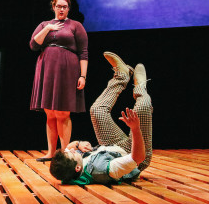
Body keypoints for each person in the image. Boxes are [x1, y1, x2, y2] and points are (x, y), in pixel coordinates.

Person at [49, 52, 153, 185]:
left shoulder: (71, 167)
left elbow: (70, 147)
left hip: (111, 145)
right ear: (78, 168)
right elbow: (137, 158)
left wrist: (78, 144)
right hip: (136, 152)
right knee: (142, 108)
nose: (73, 151)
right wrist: (135, 128)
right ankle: (140, 88)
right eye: (73, 154)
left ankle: (122, 75)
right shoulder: (104, 169)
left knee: (97, 111)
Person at [29, 0, 88, 161]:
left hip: (67, 70)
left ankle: (65, 152)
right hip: (46, 69)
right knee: (50, 113)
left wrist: (83, 75)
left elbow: (83, 53)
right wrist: (47, 29)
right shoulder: (44, 25)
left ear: (68, 9)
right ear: (53, 7)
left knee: (62, 113)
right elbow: (34, 45)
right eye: (59, 6)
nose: (62, 9)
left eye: (65, 6)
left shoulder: (75, 26)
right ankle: (51, 152)